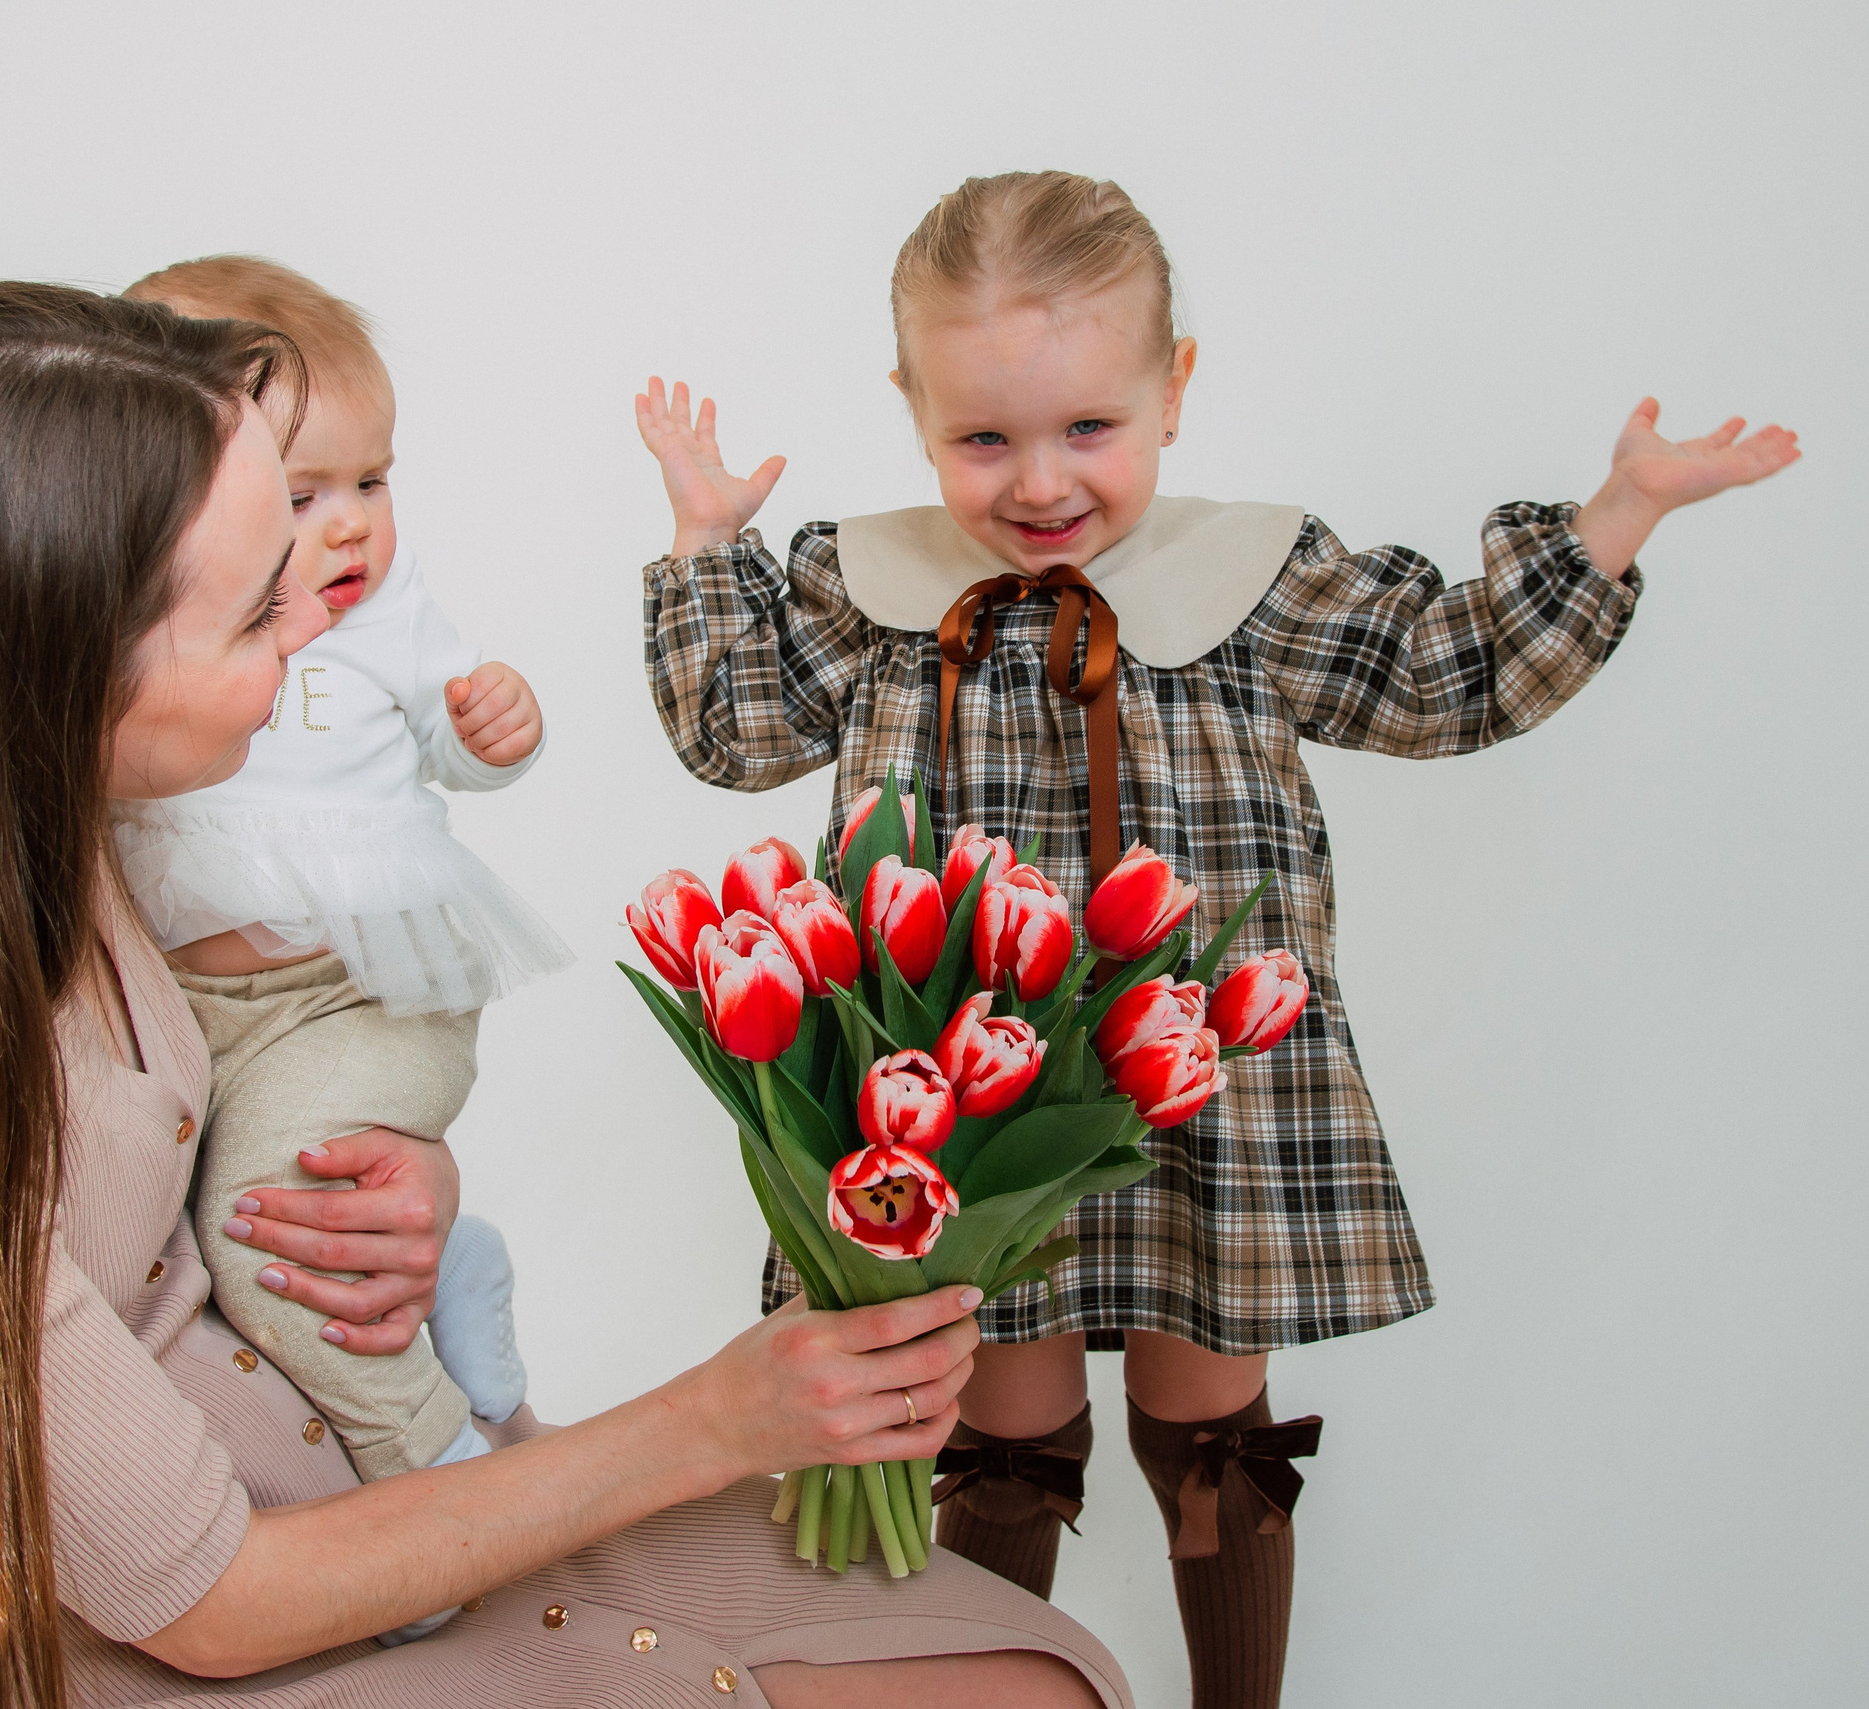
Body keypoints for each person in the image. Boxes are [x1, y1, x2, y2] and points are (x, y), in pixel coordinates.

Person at [0, 280, 1127, 1709]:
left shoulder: (24, 823)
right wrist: (714, 1420)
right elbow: (212, 1605)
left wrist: (407, 1167)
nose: (317, 627)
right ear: (53, 663)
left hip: (322, 1487)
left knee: (1044, 1672)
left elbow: (231, 1090)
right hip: (208, 1629)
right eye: (255, 612)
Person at [634, 169, 1798, 1707]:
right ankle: (984, 1683)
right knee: (1003, 1395)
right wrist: (712, 543)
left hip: (1201, 1069)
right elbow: (735, 731)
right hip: (969, 1086)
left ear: (1173, 390)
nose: (1039, 481)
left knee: (1211, 1397)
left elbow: (1442, 674)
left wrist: (1618, 513)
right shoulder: (875, 589)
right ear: (913, 410)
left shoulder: (1252, 579)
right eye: (983, 437)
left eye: (1086, 429)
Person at [108, 258, 564, 1645]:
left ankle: (441, 1472)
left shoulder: (386, 606)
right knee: (182, 1246)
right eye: (303, 496)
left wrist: (496, 730)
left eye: (371, 480)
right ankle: (455, 1280)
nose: (351, 525)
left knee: (273, 1234)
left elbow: (447, 733)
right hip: (200, 1004)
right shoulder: (138, 622)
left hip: (362, 986)